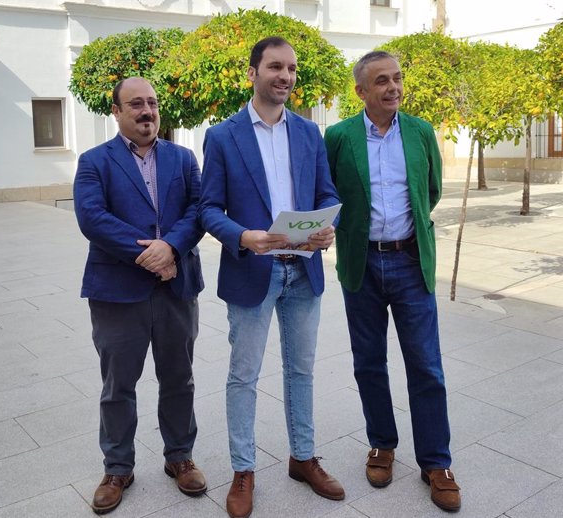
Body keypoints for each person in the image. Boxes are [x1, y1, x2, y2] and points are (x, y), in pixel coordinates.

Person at [199, 37, 344, 518]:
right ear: (254, 72)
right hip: (253, 271)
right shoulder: (223, 136)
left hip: (303, 272)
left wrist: (327, 229)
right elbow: (207, 209)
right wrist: (243, 236)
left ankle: (303, 457)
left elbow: (326, 193)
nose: (285, 76)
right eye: (276, 67)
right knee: (244, 375)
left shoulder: (309, 133)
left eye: (292, 69)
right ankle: (244, 469)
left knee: (301, 370)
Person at [324, 51, 461, 512]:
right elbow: (329, 194)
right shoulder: (339, 136)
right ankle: (382, 443)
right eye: (381, 81)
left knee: (426, 365)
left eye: (398, 78)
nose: (393, 87)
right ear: (361, 91)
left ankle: (436, 462)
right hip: (360, 266)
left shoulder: (421, 132)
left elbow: (432, 192)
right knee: (368, 363)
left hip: (409, 262)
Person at [74, 77, 207, 515]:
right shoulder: (95, 161)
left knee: (178, 377)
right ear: (116, 112)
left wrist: (172, 247)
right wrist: (151, 254)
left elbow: (197, 210)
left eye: (151, 103)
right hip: (117, 292)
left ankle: (179, 457)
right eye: (135, 104)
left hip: (177, 287)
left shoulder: (184, 158)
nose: (146, 111)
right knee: (118, 385)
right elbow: (93, 218)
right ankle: (117, 467)